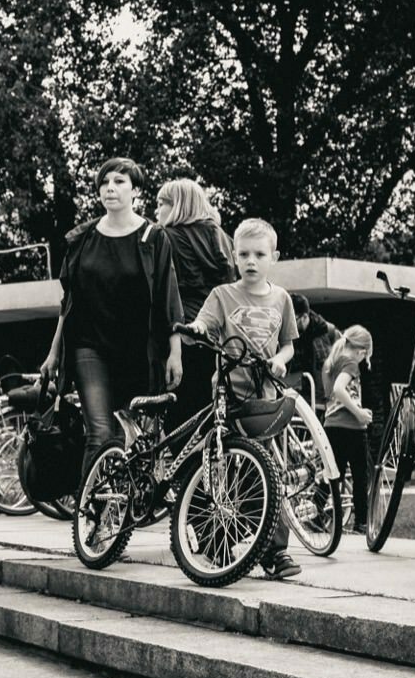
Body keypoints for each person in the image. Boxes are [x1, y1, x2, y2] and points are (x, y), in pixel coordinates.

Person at [41, 158, 183, 479]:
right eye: (105, 182)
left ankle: (118, 508)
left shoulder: (154, 238)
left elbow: (167, 299)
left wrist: (175, 352)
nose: (110, 188)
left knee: (128, 435)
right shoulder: (81, 239)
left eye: (119, 181)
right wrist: (54, 352)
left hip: (136, 352)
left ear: (135, 190)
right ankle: (91, 515)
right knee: (100, 433)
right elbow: (69, 303)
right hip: (88, 347)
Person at [190, 218, 301, 578]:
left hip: (264, 395)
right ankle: (213, 539)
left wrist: (281, 362)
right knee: (221, 468)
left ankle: (275, 551)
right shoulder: (222, 295)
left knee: (270, 469)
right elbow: (204, 325)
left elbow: (288, 346)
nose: (251, 261)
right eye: (243, 254)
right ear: (234, 257)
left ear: (275, 257)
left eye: (259, 254)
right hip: (227, 393)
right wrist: (197, 329)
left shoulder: (282, 298)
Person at [155, 176, 236, 423]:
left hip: (183, 335)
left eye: (160, 203)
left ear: (178, 205)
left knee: (180, 416)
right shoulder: (221, 236)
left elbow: (163, 295)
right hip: (219, 335)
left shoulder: (165, 237)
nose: (156, 210)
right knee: (211, 415)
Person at [321, 326, 375, 533]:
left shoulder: (331, 362)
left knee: (334, 474)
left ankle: (317, 513)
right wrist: (359, 413)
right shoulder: (351, 363)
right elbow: (339, 390)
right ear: (362, 351)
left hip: (332, 426)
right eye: (366, 356)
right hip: (352, 427)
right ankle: (361, 523)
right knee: (361, 477)